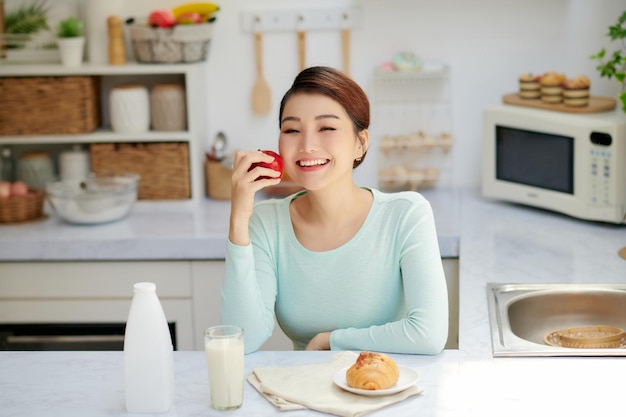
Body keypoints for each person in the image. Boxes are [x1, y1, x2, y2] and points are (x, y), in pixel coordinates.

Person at [221, 66, 448, 354]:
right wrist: (239, 218)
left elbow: (429, 334)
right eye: (292, 130)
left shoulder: (406, 215)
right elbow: (243, 340)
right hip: (305, 393)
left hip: (388, 389)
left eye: (326, 128)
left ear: (360, 143)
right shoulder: (267, 222)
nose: (307, 145)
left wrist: (331, 340)